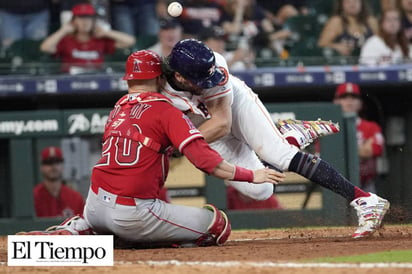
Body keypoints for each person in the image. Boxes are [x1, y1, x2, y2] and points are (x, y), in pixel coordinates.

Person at [19, 50, 284, 248]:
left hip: (94, 204)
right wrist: (252, 175)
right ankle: (132, 240)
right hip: (133, 212)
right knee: (218, 225)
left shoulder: (117, 108)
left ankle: (74, 233)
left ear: (128, 80)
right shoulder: (166, 109)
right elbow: (205, 161)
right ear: (159, 78)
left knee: (110, 214)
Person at [160, 38, 390, 238]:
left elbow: (222, 123)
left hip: (232, 108)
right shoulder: (157, 81)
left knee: (279, 155)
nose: (206, 83)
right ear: (178, 76)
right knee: (261, 190)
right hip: (202, 126)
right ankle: (289, 137)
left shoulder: (216, 66)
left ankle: (365, 200)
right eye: (199, 81)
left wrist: (178, 146)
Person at [40, 3, 135, 74]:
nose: (85, 22)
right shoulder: (66, 39)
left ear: (94, 21)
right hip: (71, 78)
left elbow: (130, 41)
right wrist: (63, 30)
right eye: (81, 18)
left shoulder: (101, 39)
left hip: (97, 76)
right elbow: (45, 48)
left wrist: (107, 32)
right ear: (73, 21)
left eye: (88, 18)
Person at [333, 83, 385, 193]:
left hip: (364, 185)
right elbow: (327, 156)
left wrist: (342, 147)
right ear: (336, 102)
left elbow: (369, 152)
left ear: (360, 103)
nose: (349, 101)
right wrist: (360, 147)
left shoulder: (371, 127)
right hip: (334, 186)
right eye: (344, 97)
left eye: (353, 97)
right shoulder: (328, 127)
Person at [34, 146, 85, 218]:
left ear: (63, 165)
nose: (53, 166)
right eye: (48, 162)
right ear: (41, 167)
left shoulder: (76, 198)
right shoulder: (34, 197)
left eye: (57, 161)